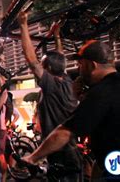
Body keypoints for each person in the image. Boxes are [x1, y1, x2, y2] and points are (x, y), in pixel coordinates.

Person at [23, 40, 120, 180]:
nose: (79, 70)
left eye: (81, 64)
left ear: (92, 65)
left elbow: (66, 132)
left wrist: (33, 157)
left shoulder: (101, 92)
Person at [18, 11, 82, 180]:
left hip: (59, 150)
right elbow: (60, 59)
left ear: (49, 70)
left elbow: (31, 59)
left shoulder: (51, 85)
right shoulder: (67, 80)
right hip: (70, 148)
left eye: (43, 65)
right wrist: (57, 37)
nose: (40, 67)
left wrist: (23, 25)